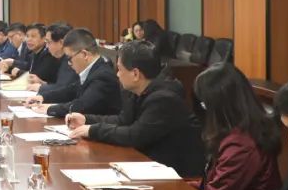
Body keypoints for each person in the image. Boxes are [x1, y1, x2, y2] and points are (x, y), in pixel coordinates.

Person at [66, 40, 203, 177]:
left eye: (120, 69)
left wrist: (92, 130)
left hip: (179, 176)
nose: (117, 74)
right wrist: (86, 120)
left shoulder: (164, 98)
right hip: (150, 164)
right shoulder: (138, 90)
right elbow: (123, 120)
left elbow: (134, 135)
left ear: (136, 74)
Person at [193, 62, 281, 190]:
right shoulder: (241, 130)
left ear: (220, 106)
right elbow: (210, 184)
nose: (203, 110)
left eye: (205, 104)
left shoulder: (241, 145)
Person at [34, 28, 121, 118]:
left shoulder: (103, 76)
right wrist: (43, 97)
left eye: (69, 58)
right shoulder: (94, 69)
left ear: (84, 54)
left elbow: (82, 105)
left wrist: (50, 109)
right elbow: (71, 90)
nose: (69, 63)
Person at [27, 23, 77, 103]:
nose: (46, 46)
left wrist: (41, 87)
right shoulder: (60, 58)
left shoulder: (70, 60)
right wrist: (43, 83)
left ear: (61, 43)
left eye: (48, 42)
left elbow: (63, 88)